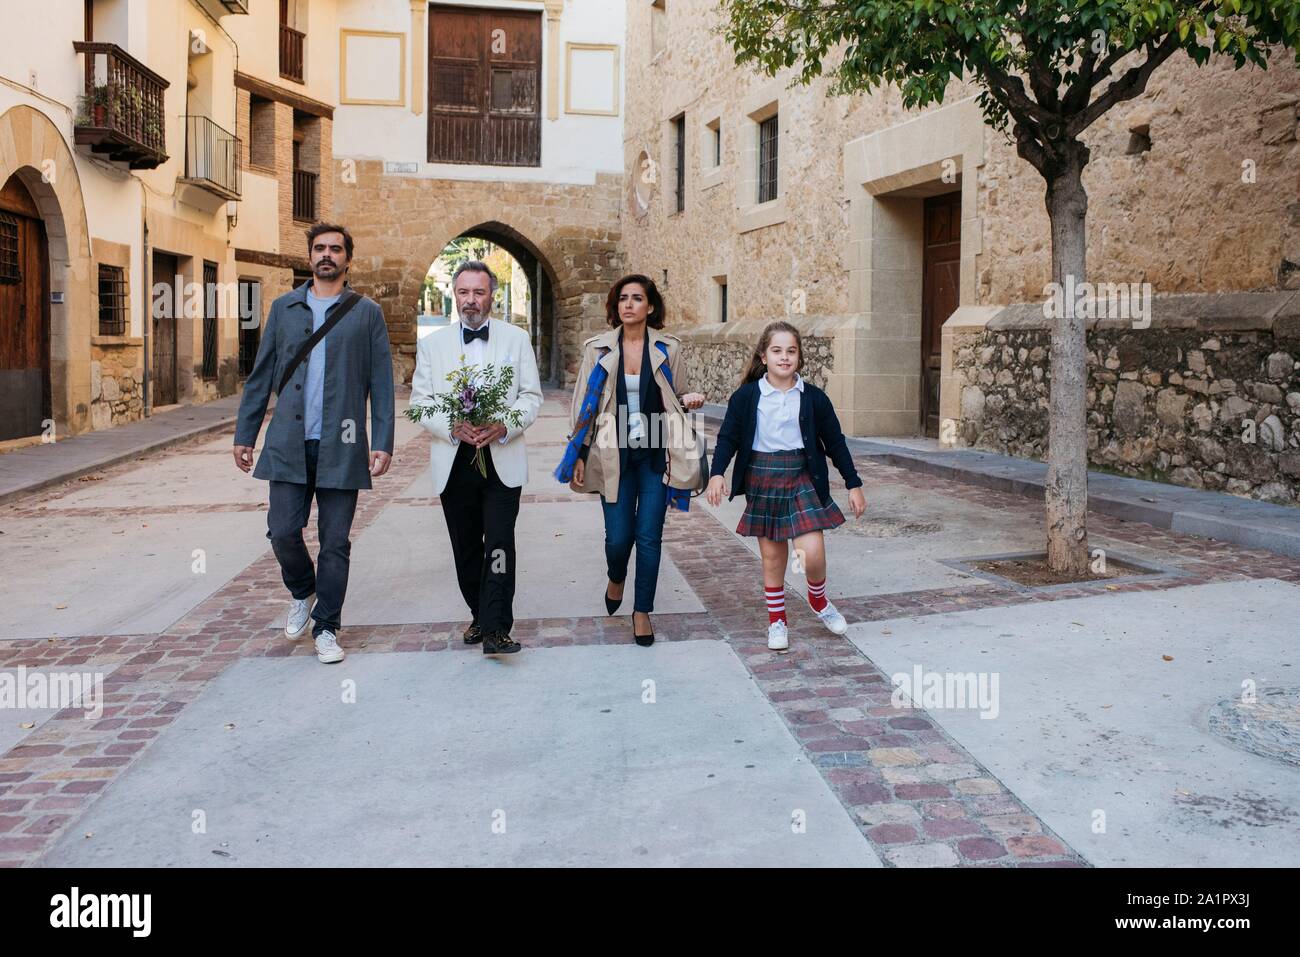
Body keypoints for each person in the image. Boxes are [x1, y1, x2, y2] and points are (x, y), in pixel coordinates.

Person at [233, 223, 395, 664]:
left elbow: (381, 382)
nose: (328, 255)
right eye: (320, 248)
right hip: (288, 441)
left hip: (341, 444)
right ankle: (303, 590)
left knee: (335, 542)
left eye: (336, 249)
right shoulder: (284, 308)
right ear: (309, 256)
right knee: (282, 531)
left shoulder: (366, 313)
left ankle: (327, 626)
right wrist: (245, 434)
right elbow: (261, 374)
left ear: (347, 258)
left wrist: (382, 441)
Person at [556, 274, 706, 645]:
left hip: (657, 454)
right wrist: (578, 451)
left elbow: (680, 393)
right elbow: (582, 409)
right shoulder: (598, 349)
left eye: (637, 298)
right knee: (619, 538)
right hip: (612, 454)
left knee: (649, 537)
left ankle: (642, 611)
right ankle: (617, 574)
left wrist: (691, 399)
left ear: (650, 307)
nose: (628, 304)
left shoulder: (668, 349)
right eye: (623, 298)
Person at [706, 321, 867, 651]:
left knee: (812, 553)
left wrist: (854, 484)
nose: (784, 357)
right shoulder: (747, 396)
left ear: (799, 357)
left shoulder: (814, 398)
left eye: (791, 351)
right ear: (763, 357)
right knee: (773, 556)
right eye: (776, 351)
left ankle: (818, 600)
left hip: (802, 476)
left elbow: (835, 442)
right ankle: (777, 620)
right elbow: (728, 438)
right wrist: (717, 472)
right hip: (763, 476)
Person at [409, 260, 543, 656]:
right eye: (464, 292)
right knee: (466, 548)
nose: (471, 300)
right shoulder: (432, 345)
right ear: (455, 295)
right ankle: (479, 614)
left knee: (499, 543)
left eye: (479, 292)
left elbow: (531, 397)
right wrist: (451, 425)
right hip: (454, 460)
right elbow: (420, 403)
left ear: (492, 296)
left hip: (502, 457)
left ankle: (497, 628)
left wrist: (505, 424)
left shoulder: (517, 339)